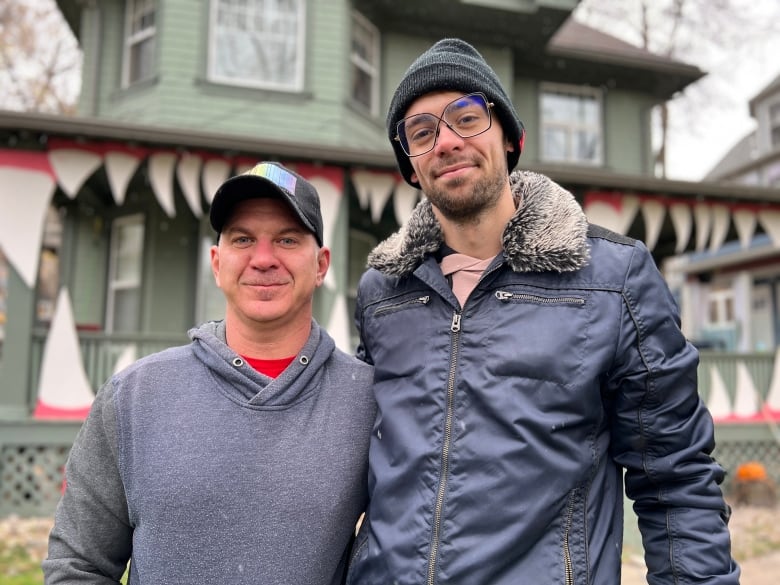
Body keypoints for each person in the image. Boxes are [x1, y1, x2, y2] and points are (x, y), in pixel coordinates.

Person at [347, 39, 739, 585]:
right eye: (422, 132)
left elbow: (675, 478)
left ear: (510, 137)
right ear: (410, 166)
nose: (447, 143)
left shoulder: (613, 279)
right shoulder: (383, 293)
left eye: (467, 117)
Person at [43, 161, 377, 585]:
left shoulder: (367, 403)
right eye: (243, 239)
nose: (263, 258)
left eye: (287, 239)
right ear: (217, 263)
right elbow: (78, 564)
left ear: (321, 265)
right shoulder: (134, 397)